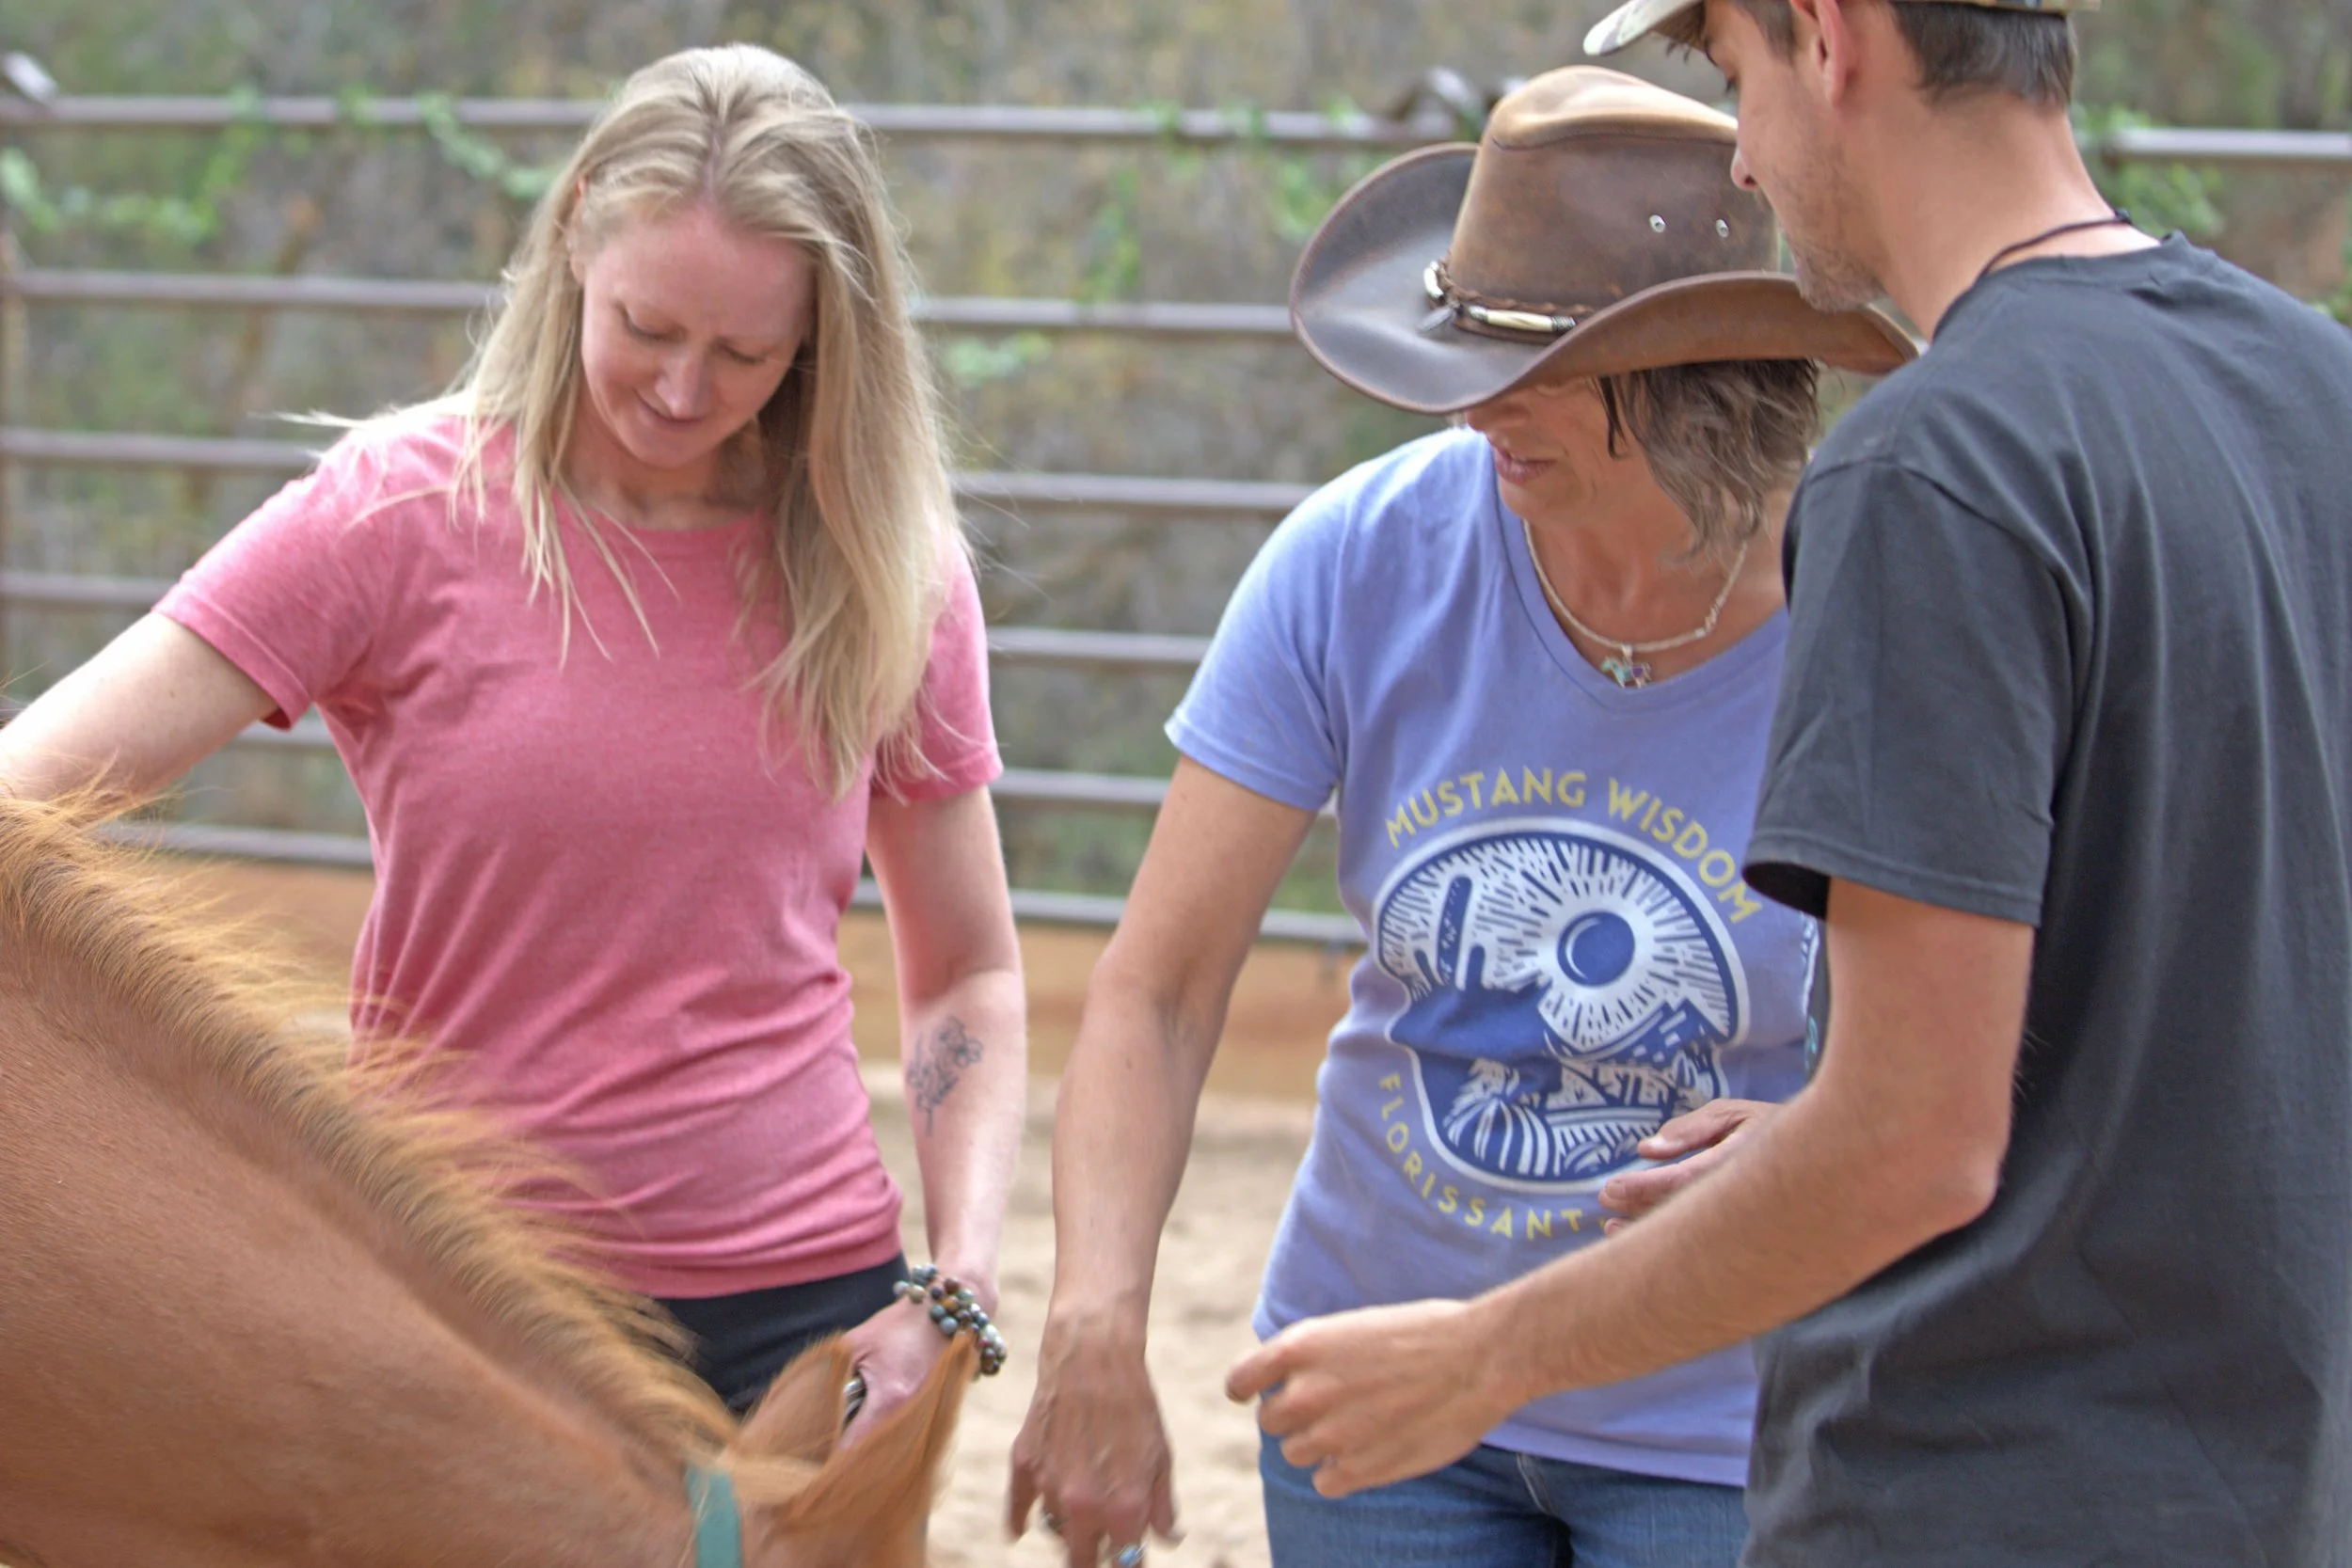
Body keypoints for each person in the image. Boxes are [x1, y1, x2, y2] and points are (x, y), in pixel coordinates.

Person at [1228, 2, 2352, 1564]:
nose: (1747, 152)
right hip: (2262, 1477)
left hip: (1974, 1481)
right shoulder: (2313, 386)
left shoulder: (1934, 465)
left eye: (1739, 78)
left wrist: (1482, 1356)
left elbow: (1913, 1141)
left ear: (1829, 38)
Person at [0, 44, 1026, 1431]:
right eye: (646, 326)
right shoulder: (393, 512)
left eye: (745, 353)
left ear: (822, 339)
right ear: (575, 229)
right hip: (457, 1294)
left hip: (802, 1313)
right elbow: (36, 787)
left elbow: (964, 967)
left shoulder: (883, 562)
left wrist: (953, 1286)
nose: (681, 388)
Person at [1007, 68, 1912, 1568]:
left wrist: (1832, 1123)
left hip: (1724, 1423)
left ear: (1707, 379)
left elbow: (2007, 1025)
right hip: (1381, 1394)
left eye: (1546, 363)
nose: (1478, 403)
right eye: (1465, 347)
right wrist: (1096, 1313)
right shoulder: (1360, 559)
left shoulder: (1877, 613)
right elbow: (1157, 990)